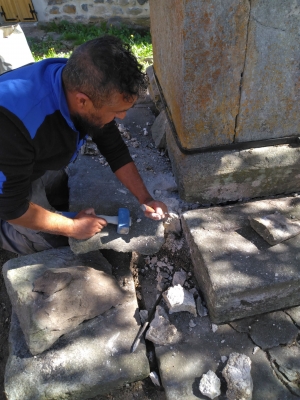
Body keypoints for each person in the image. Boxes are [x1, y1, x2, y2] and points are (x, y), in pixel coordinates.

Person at [0, 35, 168, 255]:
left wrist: (145, 198)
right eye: (116, 111)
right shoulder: (16, 125)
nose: (123, 116)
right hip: (8, 162)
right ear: (82, 100)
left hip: (18, 159)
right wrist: (72, 227)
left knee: (58, 186)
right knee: (52, 243)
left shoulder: (78, 81)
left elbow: (113, 147)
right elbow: (12, 207)